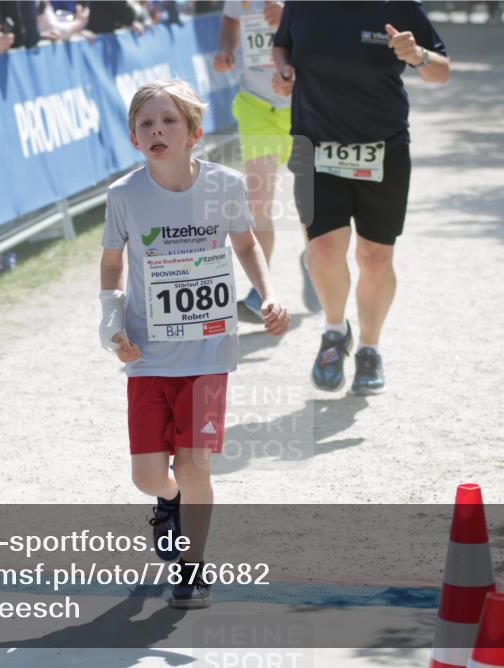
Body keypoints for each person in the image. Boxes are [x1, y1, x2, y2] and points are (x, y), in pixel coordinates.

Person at [99, 80, 289, 609]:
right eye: (146, 124)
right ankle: (168, 503)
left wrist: (268, 294)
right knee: (148, 476)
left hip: (209, 355)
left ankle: (193, 566)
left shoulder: (224, 186)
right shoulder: (124, 195)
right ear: (135, 138)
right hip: (147, 353)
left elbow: (247, 244)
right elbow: (113, 265)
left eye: (169, 122)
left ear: (195, 133)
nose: (157, 130)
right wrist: (111, 322)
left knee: (195, 466)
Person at [272, 1, 449, 394]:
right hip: (315, 144)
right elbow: (282, 44)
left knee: (375, 256)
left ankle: (370, 348)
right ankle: (335, 333)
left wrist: (418, 56)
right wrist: (284, 71)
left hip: (383, 147)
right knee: (323, 251)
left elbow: (442, 72)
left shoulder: (399, 6)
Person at [214, 0, 320, 322]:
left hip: (305, 102)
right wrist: (226, 51)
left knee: (309, 202)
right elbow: (231, 20)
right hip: (255, 105)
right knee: (259, 201)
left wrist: (289, 14)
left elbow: (329, 30)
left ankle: (314, 262)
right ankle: (261, 291)